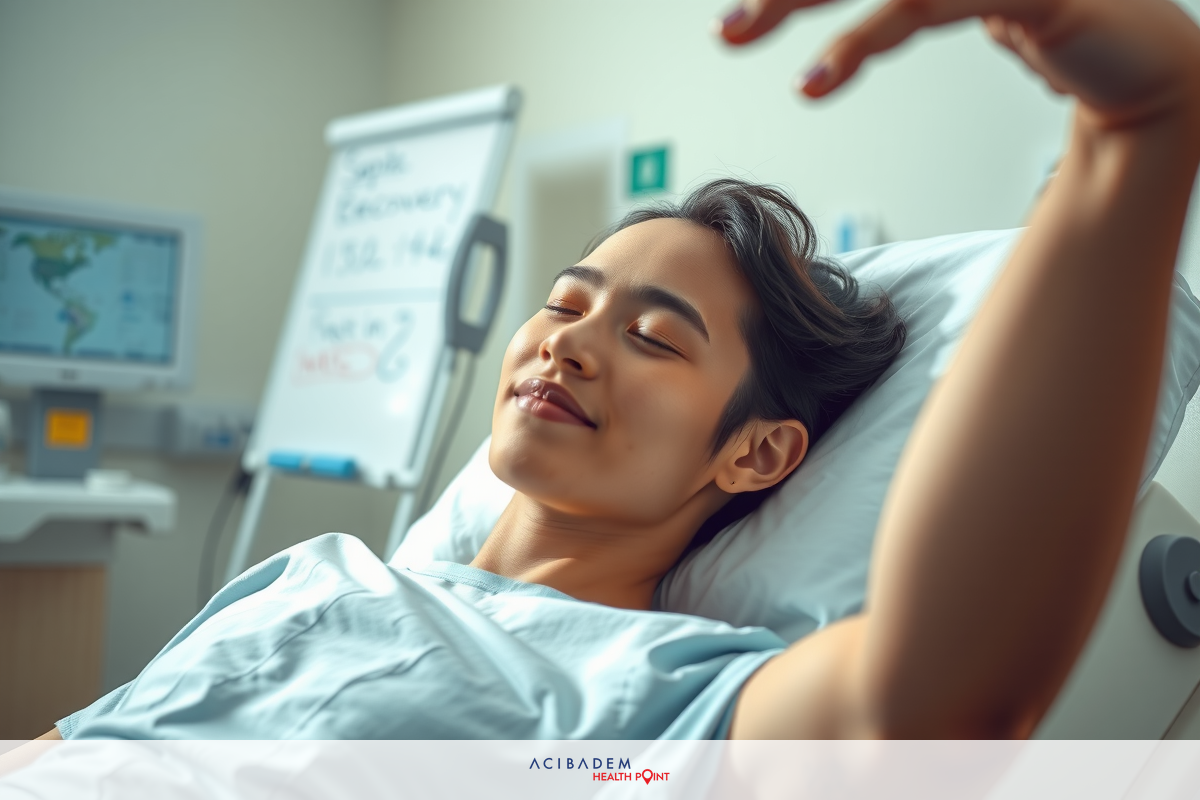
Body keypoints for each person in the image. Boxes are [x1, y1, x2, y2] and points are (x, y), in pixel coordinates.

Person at [16, 0, 1200, 747]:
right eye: (565, 302)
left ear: (759, 449)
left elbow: (925, 704)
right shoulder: (307, 574)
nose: (567, 341)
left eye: (653, 334)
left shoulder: (665, 695)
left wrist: (1138, 136)